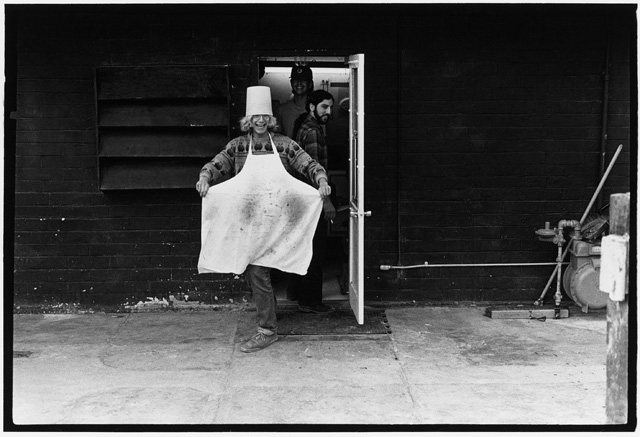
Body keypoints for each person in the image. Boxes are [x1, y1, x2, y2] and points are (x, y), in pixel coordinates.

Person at [196, 86, 331, 353]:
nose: (260, 121)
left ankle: (267, 329)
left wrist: (322, 181)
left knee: (260, 270)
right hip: (250, 223)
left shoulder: (283, 144)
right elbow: (217, 163)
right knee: (253, 270)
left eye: (264, 117)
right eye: (255, 117)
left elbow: (308, 163)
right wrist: (204, 177)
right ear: (248, 120)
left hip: (279, 221)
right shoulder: (237, 146)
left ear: (270, 120)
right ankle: (268, 312)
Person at [287, 90, 337, 313]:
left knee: (302, 247)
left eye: (331, 107)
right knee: (316, 251)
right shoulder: (314, 131)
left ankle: (295, 291)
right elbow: (314, 171)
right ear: (312, 107)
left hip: (301, 199)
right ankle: (310, 301)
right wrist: (326, 202)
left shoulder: (303, 126)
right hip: (313, 199)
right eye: (324, 107)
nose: (329, 111)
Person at [274, 65, 313, 138]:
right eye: (296, 79)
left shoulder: (315, 109)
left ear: (310, 84)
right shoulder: (281, 110)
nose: (299, 82)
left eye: (303, 79)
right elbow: (276, 138)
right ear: (291, 83)